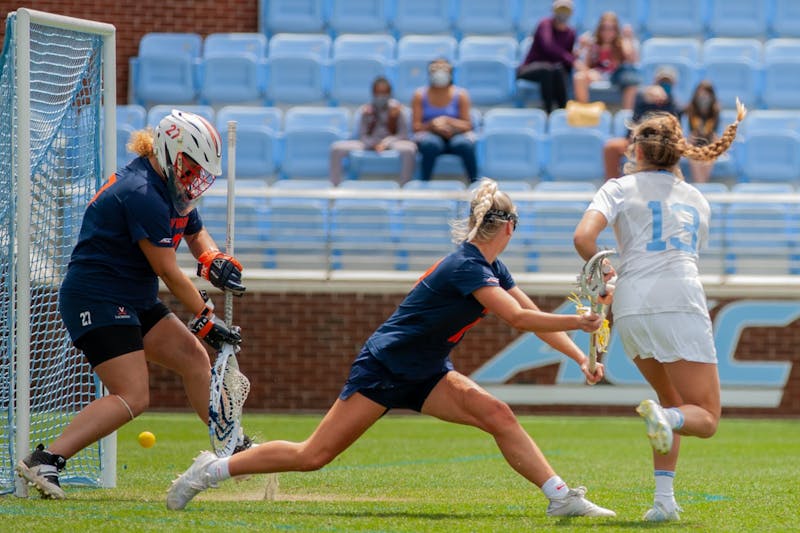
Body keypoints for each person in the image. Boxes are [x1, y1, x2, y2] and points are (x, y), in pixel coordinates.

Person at [166, 178, 616, 518]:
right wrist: (579, 321)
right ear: (510, 228)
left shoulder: (492, 266)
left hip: (426, 371)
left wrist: (578, 355)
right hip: (386, 366)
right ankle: (212, 469)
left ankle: (559, 498)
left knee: (498, 415)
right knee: (313, 456)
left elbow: (530, 313)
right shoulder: (467, 266)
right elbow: (517, 319)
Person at [16, 109, 247, 499]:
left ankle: (232, 449)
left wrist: (212, 258)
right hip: (97, 296)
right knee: (133, 394)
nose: (194, 178)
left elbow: (195, 231)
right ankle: (46, 459)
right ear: (173, 152)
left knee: (193, 358)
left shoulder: (171, 186)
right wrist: (205, 318)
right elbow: (169, 272)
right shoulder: (141, 192)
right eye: (191, 166)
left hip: (132, 297)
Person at [573, 100, 747, 522]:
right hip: (681, 300)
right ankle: (665, 419)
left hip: (631, 305)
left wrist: (608, 276)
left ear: (638, 149)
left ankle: (664, 502)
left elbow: (583, 238)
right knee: (704, 417)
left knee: (671, 401)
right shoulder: (697, 199)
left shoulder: (617, 187)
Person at [329, 76, 417, 184]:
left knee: (409, 149)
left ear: (390, 93)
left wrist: (387, 142)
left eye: (384, 93)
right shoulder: (365, 110)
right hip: (367, 144)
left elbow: (403, 135)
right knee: (336, 148)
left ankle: (405, 186)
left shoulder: (399, 111)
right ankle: (335, 186)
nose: (381, 96)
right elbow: (362, 136)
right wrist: (373, 143)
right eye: (378, 93)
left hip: (391, 143)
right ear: (373, 93)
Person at [603, 65, 680, 180]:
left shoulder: (673, 105)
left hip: (662, 144)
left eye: (667, 82)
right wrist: (647, 99)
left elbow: (675, 131)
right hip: (636, 140)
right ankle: (611, 185)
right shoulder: (643, 99)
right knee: (611, 147)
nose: (664, 85)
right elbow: (635, 123)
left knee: (672, 150)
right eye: (662, 82)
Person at [411, 58, 477, 182]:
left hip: (456, 135)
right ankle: (424, 184)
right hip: (431, 135)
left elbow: (468, 125)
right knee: (430, 145)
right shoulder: (419, 95)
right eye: (435, 68)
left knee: (464, 145)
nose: (439, 72)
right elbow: (416, 126)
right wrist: (432, 125)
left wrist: (448, 121)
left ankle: (475, 184)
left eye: (443, 68)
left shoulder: (461, 94)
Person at [516, 0, 577, 114]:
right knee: (547, 69)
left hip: (554, 72)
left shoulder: (571, 33)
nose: (562, 13)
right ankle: (548, 112)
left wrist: (574, 57)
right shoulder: (545, 24)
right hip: (530, 69)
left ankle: (561, 112)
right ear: (553, 11)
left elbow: (565, 63)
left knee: (557, 70)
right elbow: (548, 46)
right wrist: (572, 59)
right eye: (560, 10)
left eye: (566, 10)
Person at [573, 12, 641, 110]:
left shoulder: (621, 44)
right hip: (597, 75)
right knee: (579, 77)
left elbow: (632, 60)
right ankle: (585, 113)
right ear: (599, 29)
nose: (607, 32)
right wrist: (582, 48)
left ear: (616, 30)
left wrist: (628, 39)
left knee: (631, 84)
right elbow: (585, 65)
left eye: (611, 29)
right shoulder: (593, 44)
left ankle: (627, 117)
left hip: (616, 76)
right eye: (604, 28)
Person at [684, 81, 721, 183]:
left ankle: (702, 185)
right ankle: (701, 185)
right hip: (694, 144)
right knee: (695, 158)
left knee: (709, 156)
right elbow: (690, 134)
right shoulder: (691, 110)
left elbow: (714, 133)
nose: (703, 97)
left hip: (709, 144)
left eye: (706, 94)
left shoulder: (715, 111)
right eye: (700, 94)